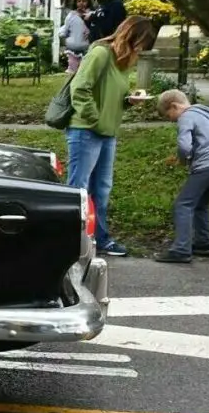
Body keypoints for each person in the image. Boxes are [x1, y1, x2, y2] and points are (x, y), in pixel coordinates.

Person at [66, 16, 157, 257]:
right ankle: (69, 238)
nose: (142, 49)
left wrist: (129, 100)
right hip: (86, 131)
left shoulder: (123, 61)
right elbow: (80, 87)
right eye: (141, 42)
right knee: (79, 188)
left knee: (102, 189)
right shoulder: (101, 53)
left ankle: (100, 237)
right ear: (131, 35)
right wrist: (93, 117)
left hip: (108, 133)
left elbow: (113, 95)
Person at [154, 89, 209, 263]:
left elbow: (184, 145)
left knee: (183, 204)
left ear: (174, 106)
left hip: (208, 164)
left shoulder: (186, 116)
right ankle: (204, 243)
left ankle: (181, 249)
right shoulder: (207, 114)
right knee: (200, 204)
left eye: (169, 116)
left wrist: (183, 159)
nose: (171, 120)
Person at [59, 0, 93, 73]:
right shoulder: (71, 15)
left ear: (88, 2)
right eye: (79, 1)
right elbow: (66, 30)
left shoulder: (91, 14)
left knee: (85, 70)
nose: (81, 3)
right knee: (72, 69)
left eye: (84, 1)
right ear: (75, 3)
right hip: (73, 48)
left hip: (87, 47)